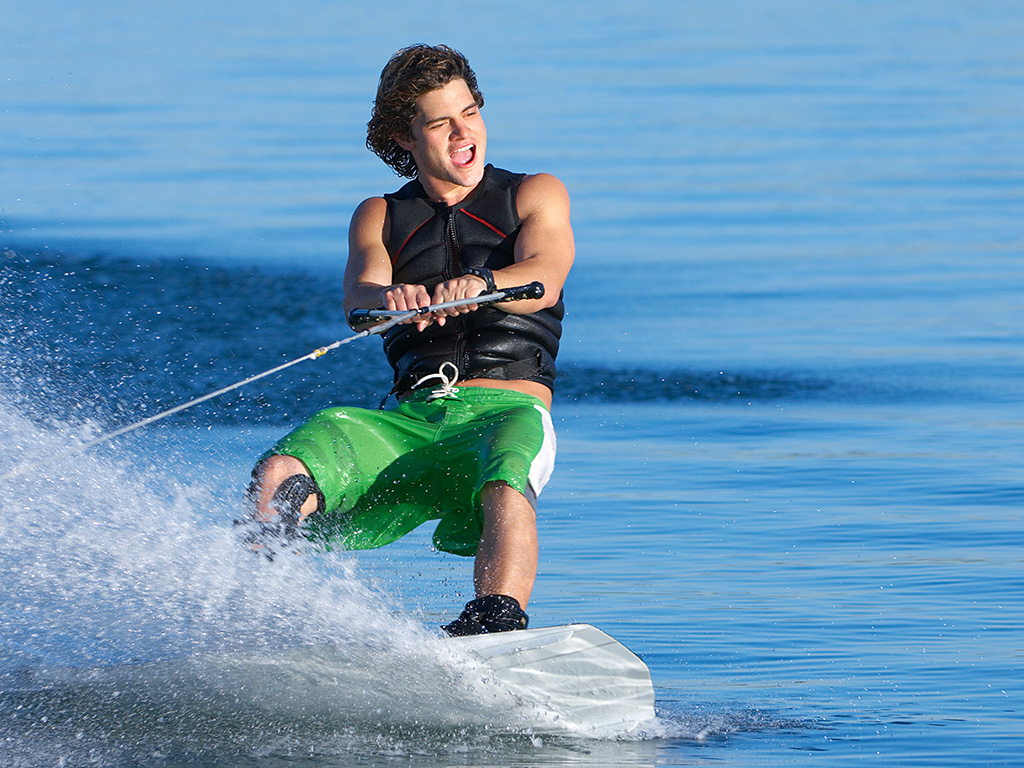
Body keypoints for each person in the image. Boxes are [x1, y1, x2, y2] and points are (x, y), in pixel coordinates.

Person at [240, 44, 574, 636]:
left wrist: (483, 283)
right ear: (404, 136)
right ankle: (255, 612)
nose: (463, 132)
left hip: (507, 410)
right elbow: (360, 297)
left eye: (470, 112)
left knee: (506, 477)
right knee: (281, 469)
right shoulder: (379, 215)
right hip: (409, 420)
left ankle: (495, 626)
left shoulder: (534, 193)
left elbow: (545, 275)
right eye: (442, 123)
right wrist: (389, 300)